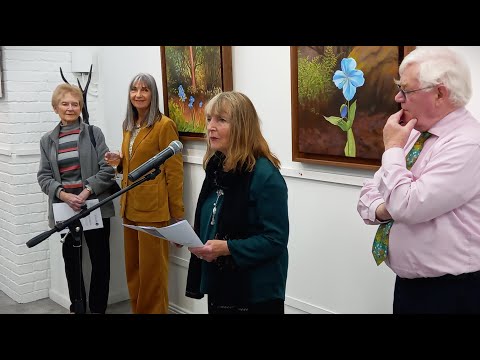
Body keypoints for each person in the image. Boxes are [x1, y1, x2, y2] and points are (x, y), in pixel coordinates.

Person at [357, 47, 480, 314]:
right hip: (412, 288)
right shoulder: (414, 134)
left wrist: (391, 150)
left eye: (407, 90)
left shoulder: (469, 144)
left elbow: (407, 206)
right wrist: (386, 207)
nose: (397, 97)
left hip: (452, 293)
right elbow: (369, 192)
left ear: (439, 93)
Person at [185, 91, 289, 314]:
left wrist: (228, 248)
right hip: (220, 282)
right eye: (209, 119)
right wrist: (193, 237)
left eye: (221, 120)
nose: (210, 126)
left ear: (242, 127)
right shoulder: (216, 167)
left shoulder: (265, 176)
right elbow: (213, 217)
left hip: (256, 292)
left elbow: (275, 240)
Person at [105, 73, 184, 314]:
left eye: (144, 90)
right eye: (134, 90)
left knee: (153, 275)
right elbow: (132, 166)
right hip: (129, 206)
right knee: (135, 272)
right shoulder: (129, 126)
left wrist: (177, 217)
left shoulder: (164, 125)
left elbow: (174, 173)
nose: (138, 94)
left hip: (154, 211)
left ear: (153, 94)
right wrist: (118, 162)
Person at [37, 83, 115, 314]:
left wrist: (85, 192)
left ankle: (98, 309)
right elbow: (43, 176)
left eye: (75, 103)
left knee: (100, 262)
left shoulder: (94, 133)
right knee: (72, 263)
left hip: (95, 207)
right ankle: (78, 308)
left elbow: (108, 169)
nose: (70, 108)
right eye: (65, 103)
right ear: (55, 108)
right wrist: (64, 195)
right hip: (65, 210)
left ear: (80, 107)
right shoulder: (47, 140)